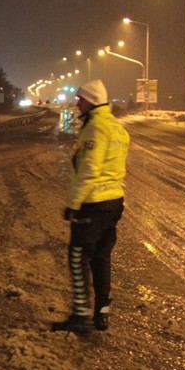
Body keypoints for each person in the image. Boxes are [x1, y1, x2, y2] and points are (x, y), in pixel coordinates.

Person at [52, 80, 130, 333]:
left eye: (81, 99)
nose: (77, 103)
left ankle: (80, 314)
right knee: (101, 257)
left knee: (77, 257)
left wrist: (73, 204)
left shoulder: (96, 128)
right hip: (114, 202)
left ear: (92, 101)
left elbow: (89, 170)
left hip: (93, 203)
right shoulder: (117, 128)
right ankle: (101, 313)